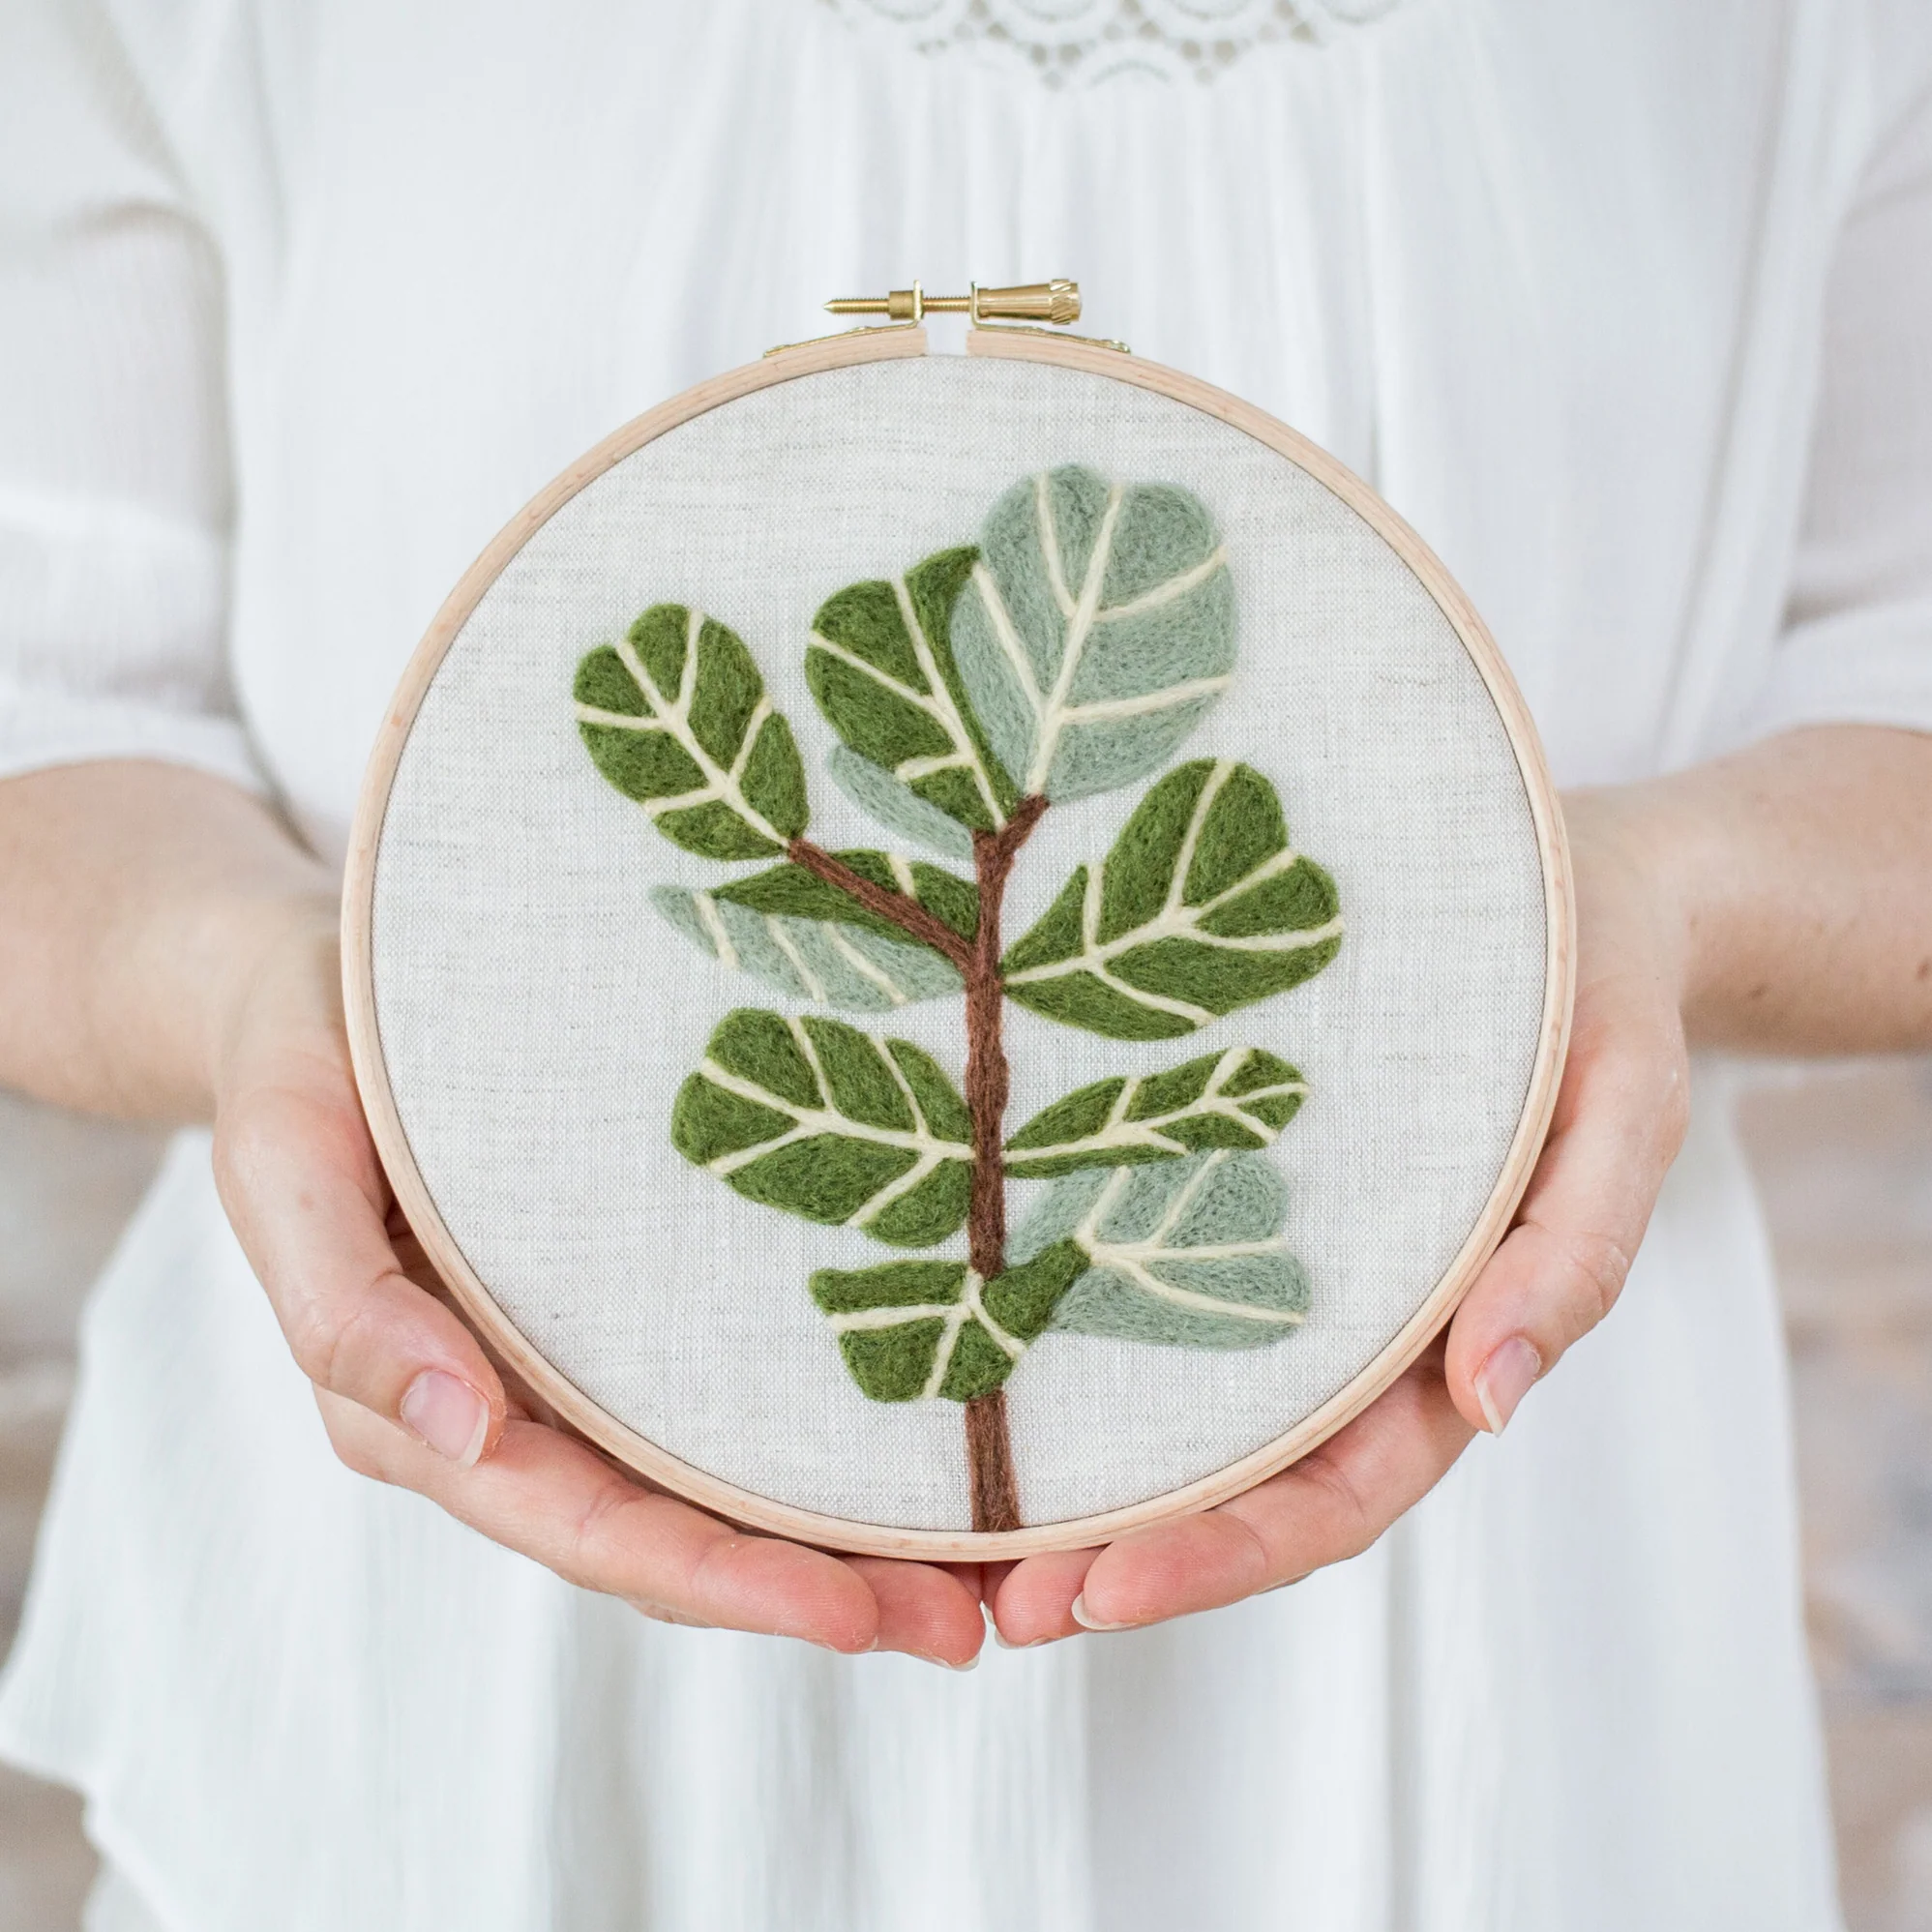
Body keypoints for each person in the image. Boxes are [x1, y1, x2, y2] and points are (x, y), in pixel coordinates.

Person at [2, 2, 1930, 1926]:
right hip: (434, 1691)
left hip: (1519, 1653)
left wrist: (1662, 895)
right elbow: (49, 715)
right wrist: (258, 992)